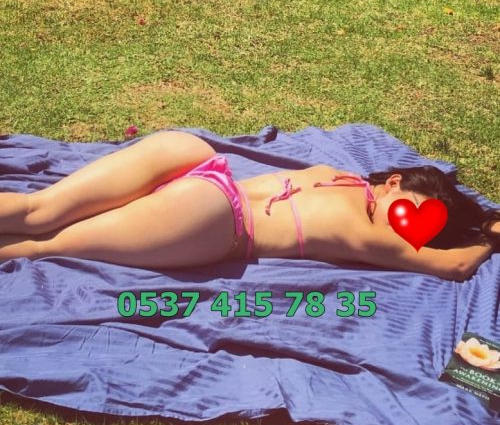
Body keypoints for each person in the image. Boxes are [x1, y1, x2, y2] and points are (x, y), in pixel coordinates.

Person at [0, 130, 498, 281]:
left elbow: (446, 258)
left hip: (196, 164)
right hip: (210, 216)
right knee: (42, 237)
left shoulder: (333, 173)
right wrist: (490, 240)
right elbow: (454, 266)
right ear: (394, 182)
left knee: (40, 215)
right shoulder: (366, 230)